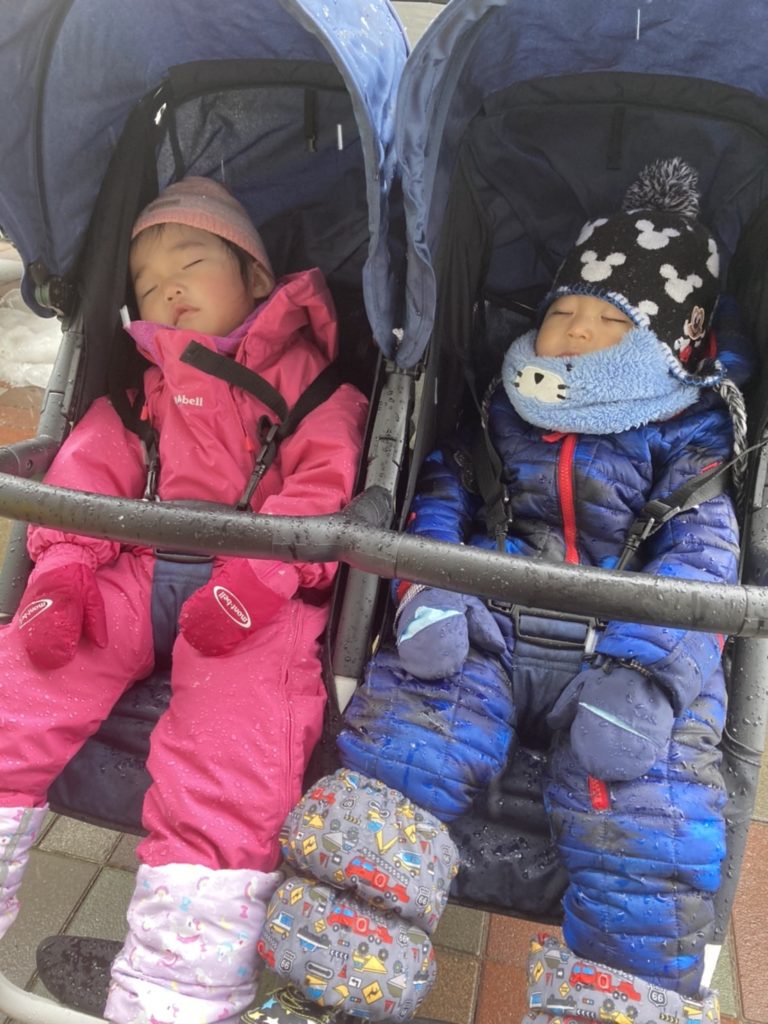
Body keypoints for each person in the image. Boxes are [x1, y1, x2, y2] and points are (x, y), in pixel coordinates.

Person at [251, 159, 749, 1024]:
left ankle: (614, 1006)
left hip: (624, 647)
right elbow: (442, 495)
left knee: (648, 821)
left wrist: (650, 675)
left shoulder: (690, 430)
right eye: (562, 313)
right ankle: (326, 985)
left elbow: (704, 557)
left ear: (670, 344)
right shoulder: (502, 408)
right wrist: (427, 592)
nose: (576, 332)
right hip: (489, 616)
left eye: (610, 321)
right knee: (404, 751)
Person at [0, 177, 368, 1024]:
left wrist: (259, 575)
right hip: (134, 563)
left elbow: (326, 484)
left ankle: (178, 986)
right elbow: (90, 473)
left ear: (257, 278)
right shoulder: (143, 387)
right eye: (146, 279)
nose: (167, 287)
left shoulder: (313, 388)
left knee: (234, 746)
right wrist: (62, 572)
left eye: (192, 263)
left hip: (253, 593)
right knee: (23, 681)